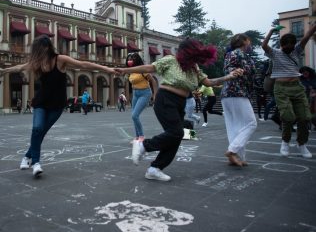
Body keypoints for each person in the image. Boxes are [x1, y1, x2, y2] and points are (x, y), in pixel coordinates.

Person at [115, 38, 243, 182]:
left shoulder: (195, 69)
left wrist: (229, 76)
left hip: (180, 103)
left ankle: (154, 169)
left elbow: (209, 82)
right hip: (165, 99)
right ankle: (143, 145)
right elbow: (149, 68)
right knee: (177, 132)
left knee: (175, 137)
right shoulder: (171, 60)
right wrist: (126, 70)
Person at [2, 35, 115, 177]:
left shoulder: (60, 60)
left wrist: (106, 68)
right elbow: (20, 67)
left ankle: (26, 157)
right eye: (37, 51)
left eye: (41, 50)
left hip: (57, 105)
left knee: (41, 132)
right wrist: (3, 71)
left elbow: (83, 65)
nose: (39, 54)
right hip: (41, 102)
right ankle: (36, 163)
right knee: (37, 129)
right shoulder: (37, 62)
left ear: (48, 48)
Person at [261, 22, 316, 158]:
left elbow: (307, 35)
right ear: (282, 45)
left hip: (297, 87)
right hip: (281, 89)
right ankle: (285, 142)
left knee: (305, 117)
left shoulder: (297, 50)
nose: (289, 49)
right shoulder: (275, 53)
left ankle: (301, 144)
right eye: (287, 47)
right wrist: (271, 30)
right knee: (288, 117)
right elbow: (263, 45)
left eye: (291, 46)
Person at [221, 34, 257, 166]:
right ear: (243, 42)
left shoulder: (230, 54)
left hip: (228, 94)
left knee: (234, 127)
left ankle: (238, 157)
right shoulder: (238, 53)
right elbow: (232, 70)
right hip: (237, 92)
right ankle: (232, 151)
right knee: (251, 123)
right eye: (249, 41)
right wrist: (242, 71)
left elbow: (229, 69)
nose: (250, 44)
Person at [125, 52, 158, 142]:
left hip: (145, 93)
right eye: (128, 59)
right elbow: (127, 78)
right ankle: (137, 137)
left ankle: (141, 136)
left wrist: (155, 95)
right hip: (135, 93)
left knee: (135, 115)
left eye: (131, 59)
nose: (129, 61)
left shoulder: (143, 70)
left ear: (136, 60)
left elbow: (153, 81)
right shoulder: (130, 71)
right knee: (134, 116)